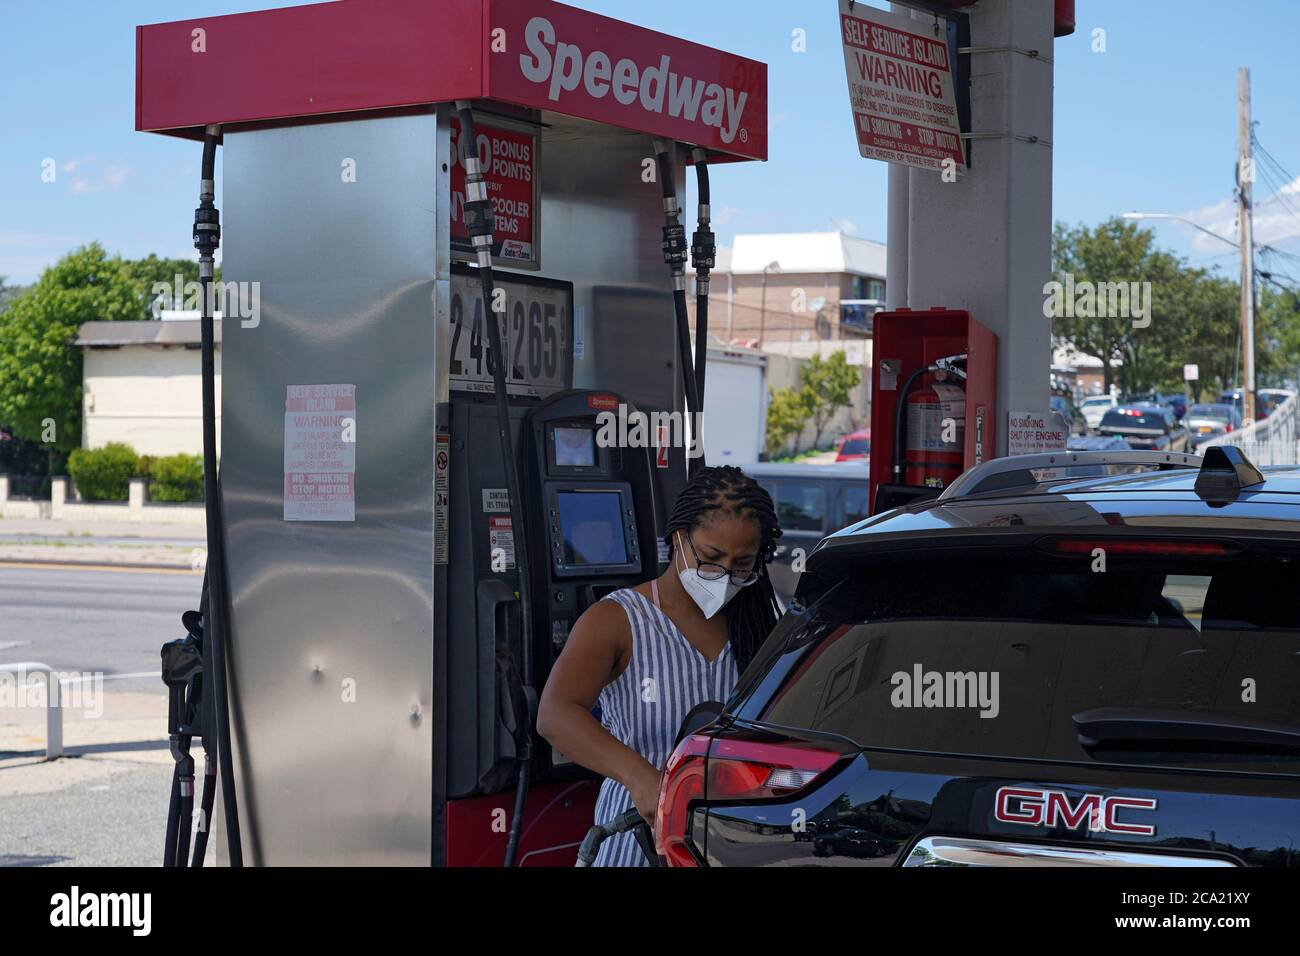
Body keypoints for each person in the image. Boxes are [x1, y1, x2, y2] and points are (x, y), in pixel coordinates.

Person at [537, 465, 783, 866]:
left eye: (742, 564)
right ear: (679, 538)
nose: (724, 576)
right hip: (634, 846)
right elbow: (555, 714)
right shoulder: (617, 619)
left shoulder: (760, 625)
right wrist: (641, 778)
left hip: (728, 849)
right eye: (711, 558)